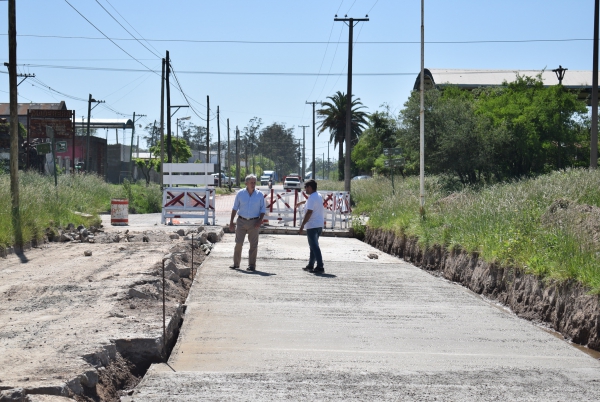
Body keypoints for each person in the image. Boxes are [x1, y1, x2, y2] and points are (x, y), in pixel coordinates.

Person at [229, 174, 266, 271]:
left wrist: (260, 221)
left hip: (254, 222)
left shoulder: (259, 195)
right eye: (251, 182)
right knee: (238, 243)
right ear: (246, 183)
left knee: (253, 244)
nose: (253, 184)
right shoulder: (240, 194)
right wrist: (231, 222)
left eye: (254, 182)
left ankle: (252, 265)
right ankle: (236, 264)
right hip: (241, 221)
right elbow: (234, 208)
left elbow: (263, 210)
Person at [298, 179, 325, 274]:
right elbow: (311, 203)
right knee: (313, 246)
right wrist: (301, 203)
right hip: (319, 224)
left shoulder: (312, 198)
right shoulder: (318, 196)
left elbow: (309, 212)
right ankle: (310, 265)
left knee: (314, 246)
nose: (305, 189)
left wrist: (302, 225)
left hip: (312, 225)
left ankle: (320, 266)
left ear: (310, 187)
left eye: (306, 187)